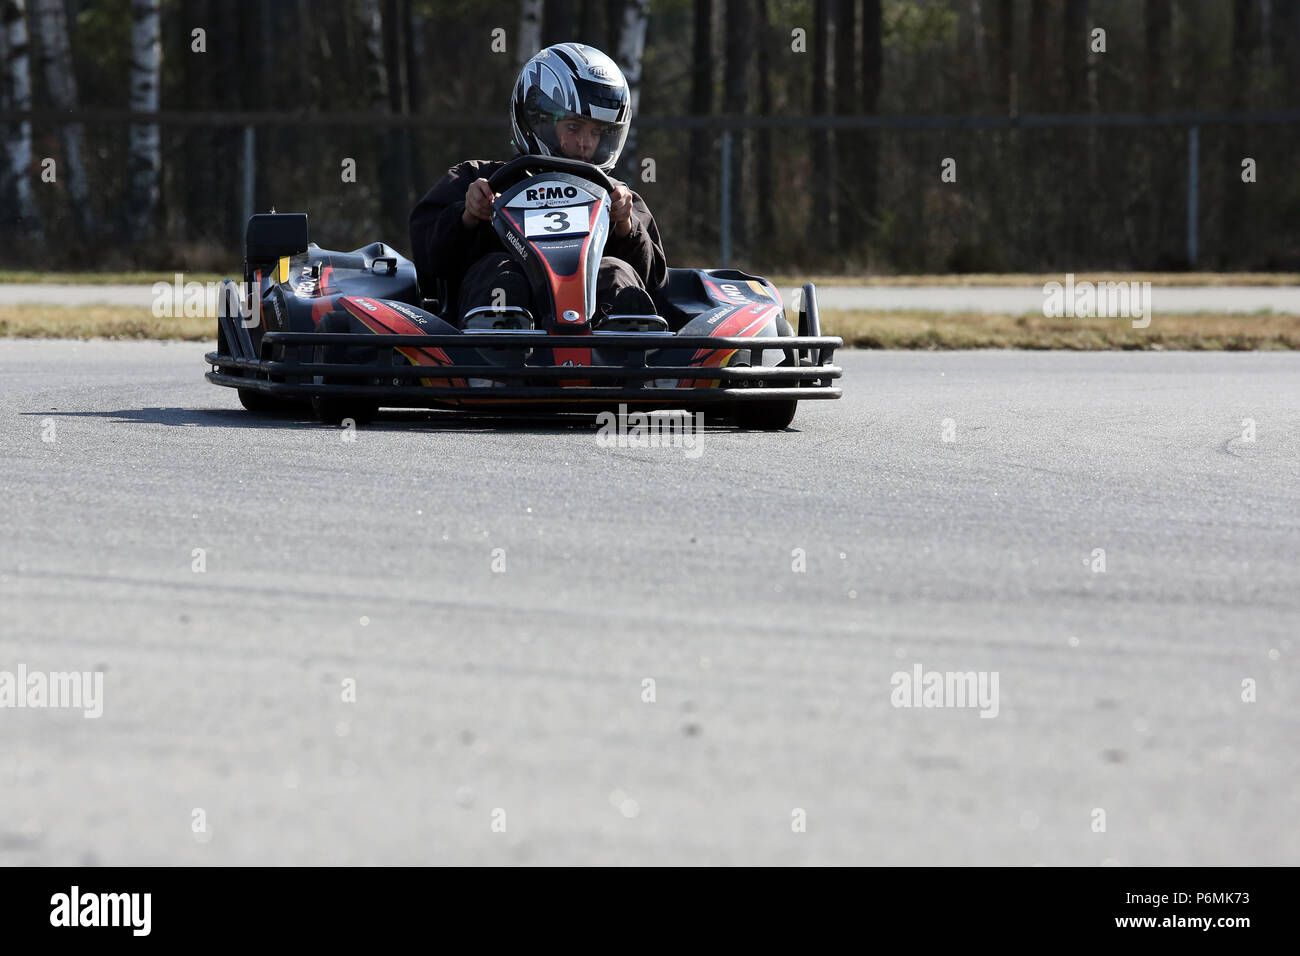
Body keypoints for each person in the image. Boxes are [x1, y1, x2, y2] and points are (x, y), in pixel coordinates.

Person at [409, 43, 667, 327]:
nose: (585, 142)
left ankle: (622, 355)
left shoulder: (617, 197)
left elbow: (654, 282)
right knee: (501, 275)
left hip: (596, 346)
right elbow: (429, 265)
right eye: (573, 127)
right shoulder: (474, 180)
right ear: (537, 119)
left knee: (616, 273)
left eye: (596, 132)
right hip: (497, 354)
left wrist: (624, 226)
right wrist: (467, 216)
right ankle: (499, 350)